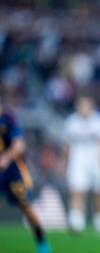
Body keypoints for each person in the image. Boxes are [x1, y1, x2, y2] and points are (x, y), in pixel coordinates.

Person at [0, 101, 52, 253]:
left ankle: (42, 243)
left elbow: (19, 145)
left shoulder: (9, 118)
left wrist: (6, 158)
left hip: (13, 170)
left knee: (26, 207)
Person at [63, 96, 100, 235]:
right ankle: (76, 222)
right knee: (77, 190)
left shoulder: (99, 122)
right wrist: (65, 163)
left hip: (97, 159)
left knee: (99, 192)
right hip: (77, 160)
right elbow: (66, 145)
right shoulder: (71, 122)